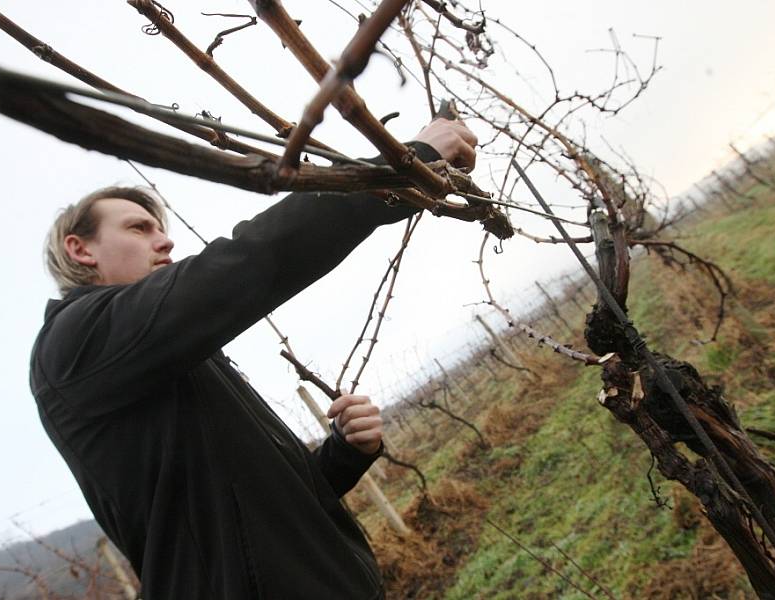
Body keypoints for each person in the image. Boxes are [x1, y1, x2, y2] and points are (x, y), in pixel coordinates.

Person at [29, 118, 477, 599]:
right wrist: (401, 166)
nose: (166, 242)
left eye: (162, 229)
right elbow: (252, 259)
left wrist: (343, 454)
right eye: (139, 229)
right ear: (80, 249)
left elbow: (261, 516)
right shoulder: (73, 345)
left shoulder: (175, 360)